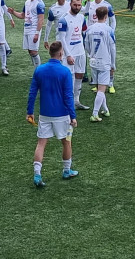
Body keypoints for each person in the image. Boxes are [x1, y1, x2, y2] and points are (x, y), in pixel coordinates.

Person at [26, 40, 79, 188]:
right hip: (62, 115)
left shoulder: (39, 70)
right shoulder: (65, 72)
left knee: (41, 144)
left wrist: (30, 112)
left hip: (45, 114)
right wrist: (73, 116)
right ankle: (66, 170)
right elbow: (68, 96)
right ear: (61, 53)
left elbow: (32, 93)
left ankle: (37, 174)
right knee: (66, 142)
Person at [56, 0, 89, 110]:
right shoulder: (63, 19)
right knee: (69, 78)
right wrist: (68, 54)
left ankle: (76, 101)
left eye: (79, 5)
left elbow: (84, 33)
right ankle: (66, 101)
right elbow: (62, 39)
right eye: (75, 5)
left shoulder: (81, 18)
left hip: (80, 52)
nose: (77, 7)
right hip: (69, 54)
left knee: (79, 75)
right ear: (70, 4)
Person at [85, 6, 116, 121]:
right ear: (106, 16)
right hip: (104, 62)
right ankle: (95, 114)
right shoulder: (109, 30)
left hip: (93, 61)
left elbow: (86, 45)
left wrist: (91, 54)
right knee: (102, 89)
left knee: (99, 87)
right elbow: (112, 48)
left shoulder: (90, 29)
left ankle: (105, 109)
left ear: (96, 16)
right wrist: (113, 64)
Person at [8, 0, 45, 70]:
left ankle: (38, 72)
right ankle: (36, 70)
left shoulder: (39, 3)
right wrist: (13, 12)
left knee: (34, 51)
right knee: (30, 51)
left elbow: (41, 19)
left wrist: (37, 33)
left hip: (34, 29)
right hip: (27, 29)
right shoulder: (27, 2)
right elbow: (22, 15)